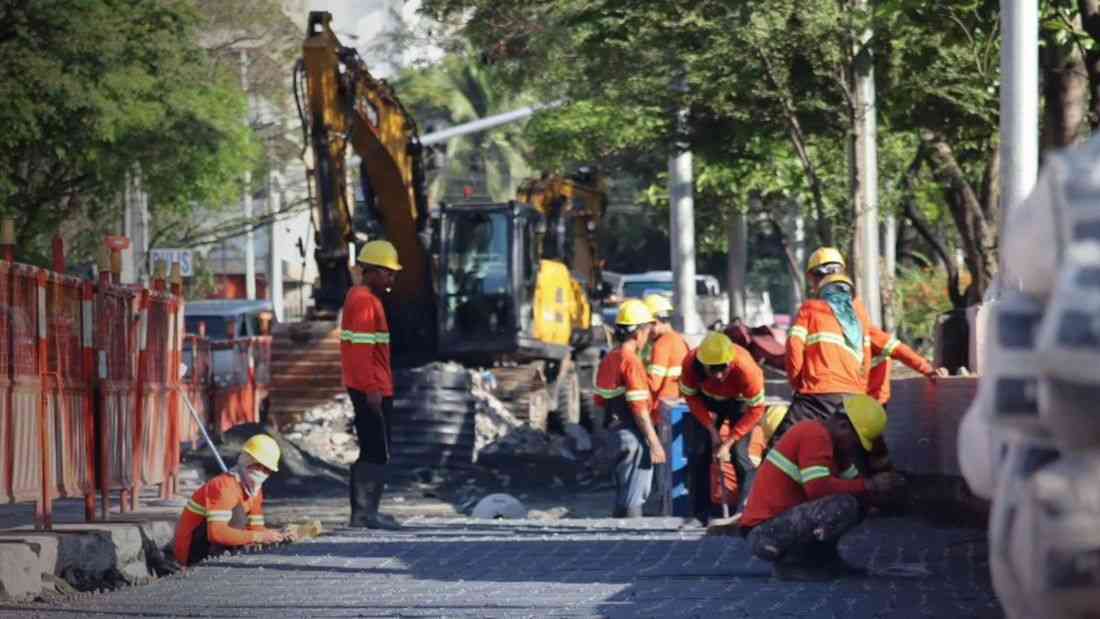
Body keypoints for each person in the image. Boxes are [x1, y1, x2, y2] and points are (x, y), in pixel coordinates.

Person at [740, 395, 906, 581]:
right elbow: (818, 488)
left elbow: (858, 488)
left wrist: (884, 491)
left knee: (857, 501)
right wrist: (872, 484)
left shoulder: (838, 451)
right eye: (857, 441)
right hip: (764, 534)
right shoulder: (814, 434)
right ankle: (790, 565)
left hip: (779, 526)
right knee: (843, 504)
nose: (856, 448)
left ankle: (825, 559)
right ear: (843, 426)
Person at [342, 240, 403, 530]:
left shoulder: (362, 298)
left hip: (373, 385)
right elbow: (361, 352)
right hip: (371, 388)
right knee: (375, 450)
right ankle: (365, 514)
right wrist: (371, 389)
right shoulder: (364, 301)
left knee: (376, 449)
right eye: (388, 273)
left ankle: (368, 512)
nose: (392, 278)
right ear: (373, 271)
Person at [679, 331, 766, 521]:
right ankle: (700, 514)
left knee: (740, 455)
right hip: (706, 400)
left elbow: (756, 410)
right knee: (699, 453)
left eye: (722, 368)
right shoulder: (690, 363)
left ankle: (745, 513)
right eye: (713, 369)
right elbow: (691, 398)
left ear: (730, 361)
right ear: (703, 364)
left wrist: (729, 442)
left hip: (739, 403)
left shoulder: (747, 369)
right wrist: (712, 430)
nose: (718, 375)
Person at [595, 299, 666, 517]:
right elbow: (639, 410)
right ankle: (632, 533)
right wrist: (654, 443)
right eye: (647, 331)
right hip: (633, 437)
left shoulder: (609, 358)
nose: (647, 337)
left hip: (614, 434)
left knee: (622, 493)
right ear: (638, 333)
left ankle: (618, 533)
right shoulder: (631, 361)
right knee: (634, 496)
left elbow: (599, 403)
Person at [173, 434, 286, 567]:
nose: (261, 472)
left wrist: (279, 534)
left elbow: (257, 529)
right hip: (192, 551)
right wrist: (259, 536)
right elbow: (216, 533)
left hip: (214, 546)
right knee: (237, 515)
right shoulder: (224, 487)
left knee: (241, 519)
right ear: (246, 461)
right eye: (257, 465)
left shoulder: (255, 490)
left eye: (266, 469)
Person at [640, 294, 689, 516]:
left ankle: (660, 506)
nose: (645, 331)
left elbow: (653, 383)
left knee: (661, 464)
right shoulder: (679, 340)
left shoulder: (661, 345)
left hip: (662, 413)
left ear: (655, 321)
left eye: (646, 325)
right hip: (675, 409)